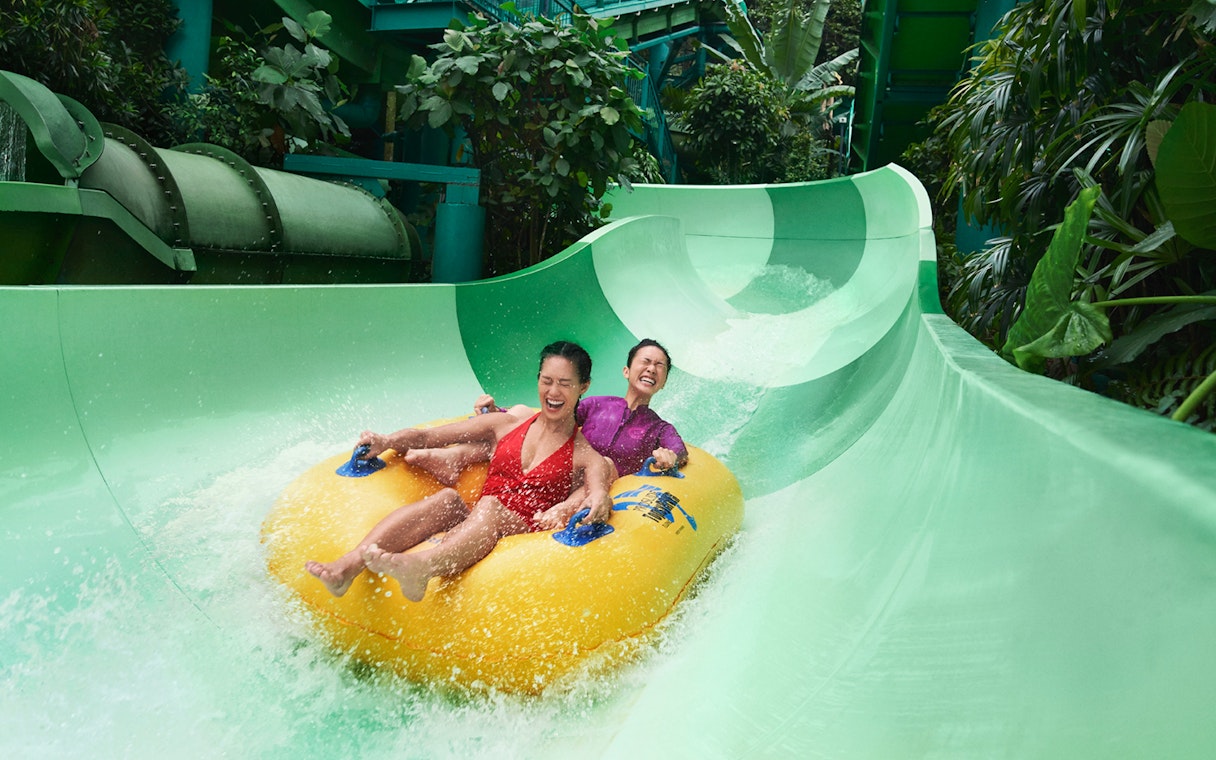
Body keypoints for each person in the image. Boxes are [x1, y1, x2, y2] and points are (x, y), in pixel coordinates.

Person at [304, 341, 611, 603]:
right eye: (546, 380)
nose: (553, 391)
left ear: (584, 386)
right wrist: (386, 441)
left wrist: (595, 504)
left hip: (525, 532)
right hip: (482, 520)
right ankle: (347, 567)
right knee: (448, 500)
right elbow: (431, 437)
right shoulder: (504, 425)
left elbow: (598, 492)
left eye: (564, 383)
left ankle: (423, 567)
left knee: (489, 506)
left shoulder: (586, 456)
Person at [407, 339, 689, 500]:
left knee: (604, 463)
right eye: (645, 361)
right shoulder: (598, 405)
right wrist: (500, 413)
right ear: (627, 371)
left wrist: (670, 458)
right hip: (558, 470)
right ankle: (456, 456)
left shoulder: (659, 428)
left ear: (663, 382)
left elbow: (679, 451)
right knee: (519, 413)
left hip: (594, 484)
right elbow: (548, 421)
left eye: (659, 366)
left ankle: (456, 457)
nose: (651, 368)